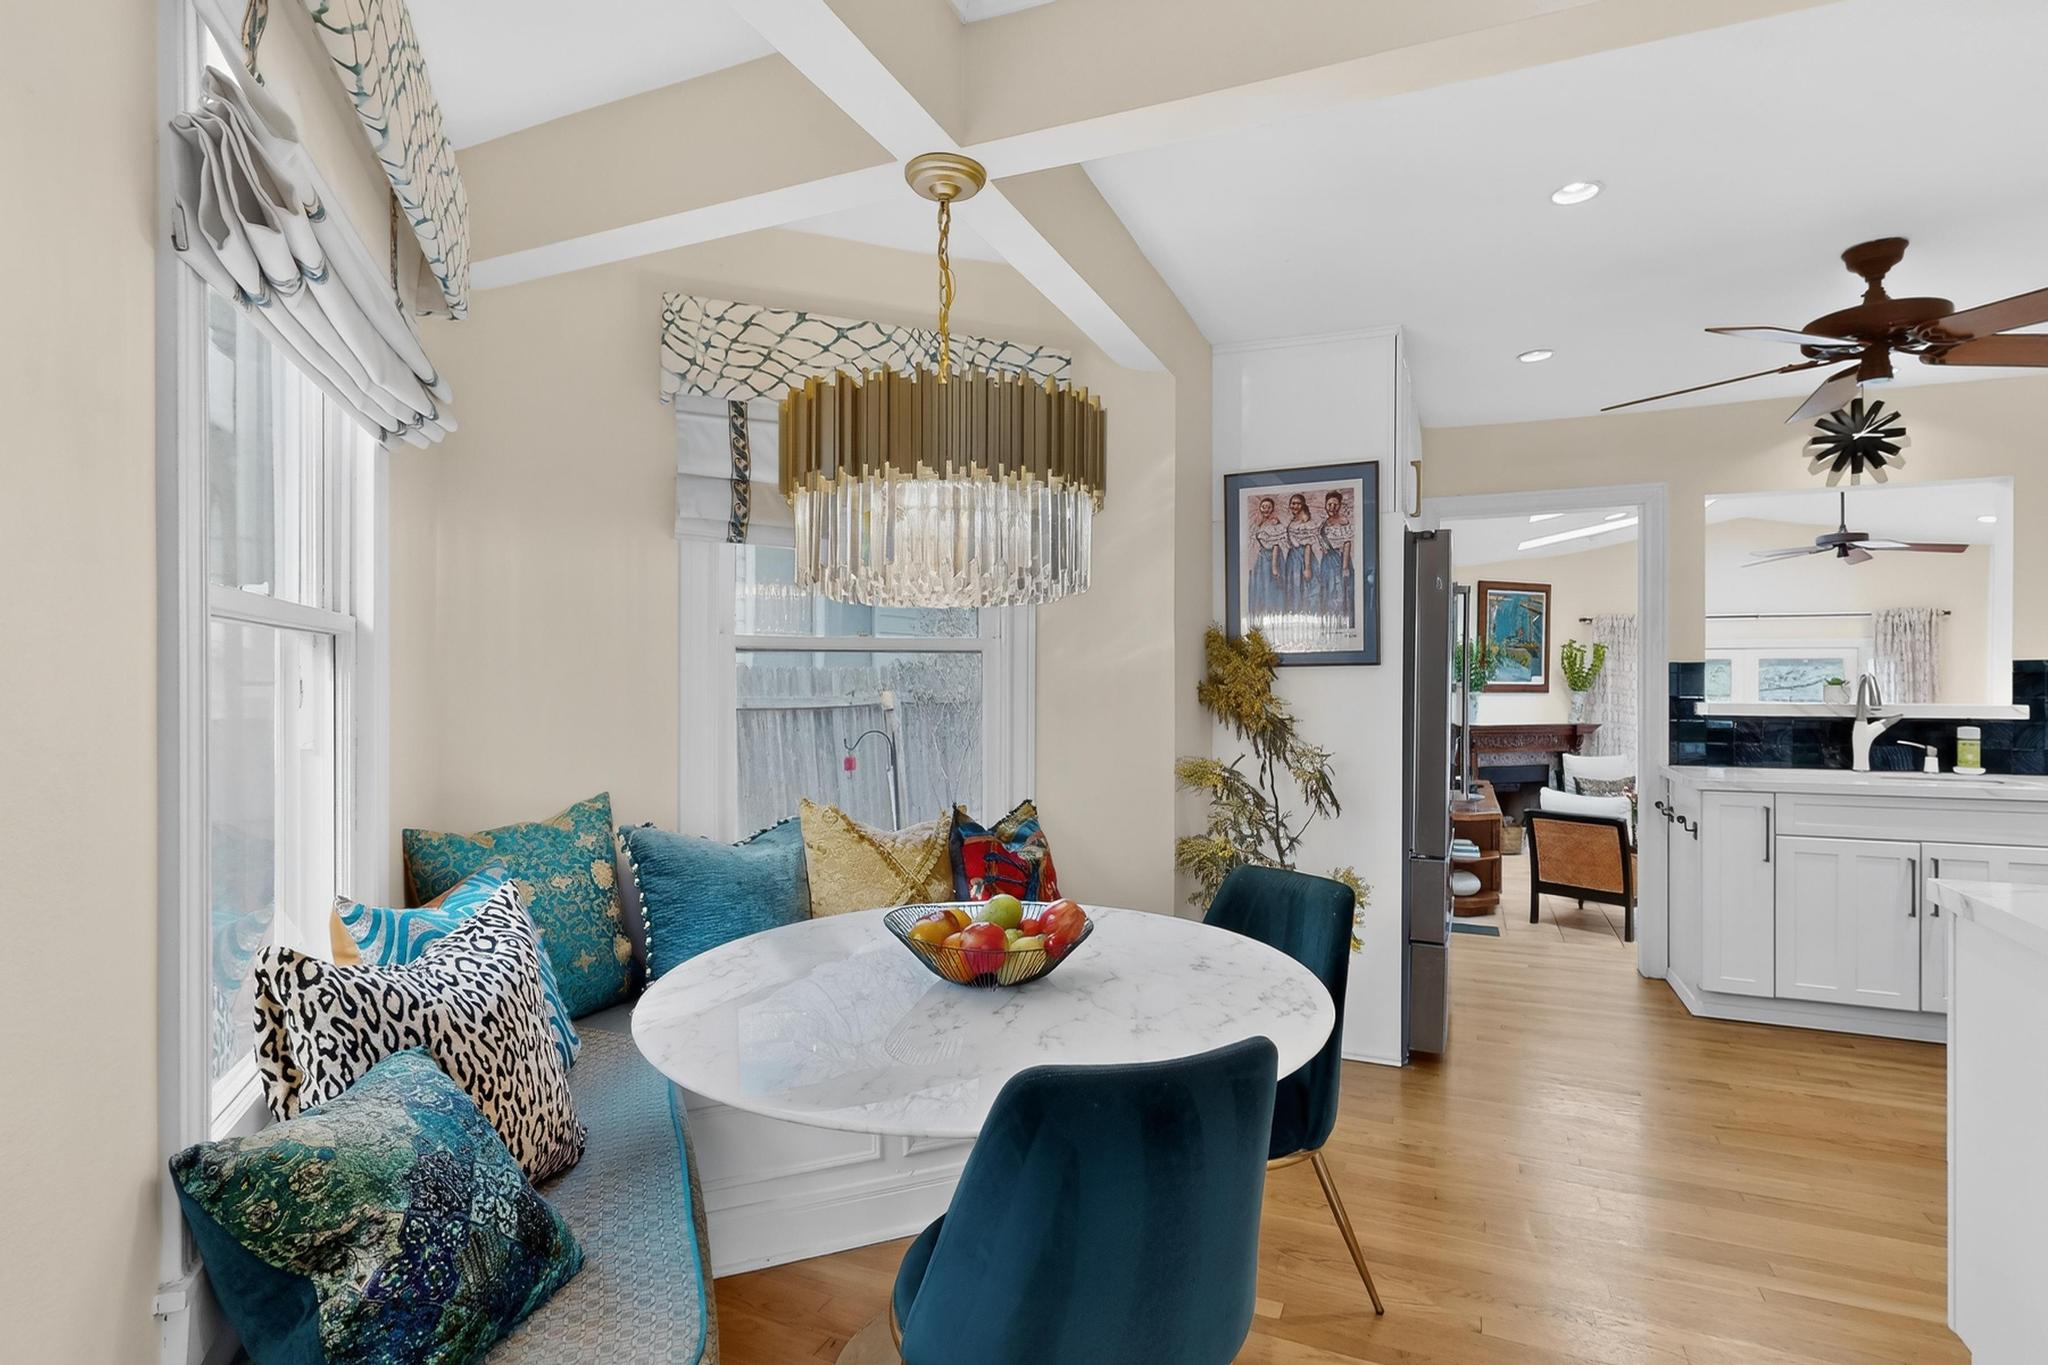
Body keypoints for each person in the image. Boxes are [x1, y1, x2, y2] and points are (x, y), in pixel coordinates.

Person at [1313, 488, 1356, 628]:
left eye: (1335, 504)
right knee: (1327, 591)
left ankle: (1341, 625)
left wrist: (1344, 567)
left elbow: (1347, 544)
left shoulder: (1343, 521)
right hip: (1327, 562)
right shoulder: (1325, 523)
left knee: (1339, 591)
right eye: (1329, 504)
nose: (1332, 507)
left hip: (1340, 560)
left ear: (1340, 505)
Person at [1247, 494, 1287, 631]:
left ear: (1273, 509)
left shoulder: (1275, 523)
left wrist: (1274, 566)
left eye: (1269, 507)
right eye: (1263, 507)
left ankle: (1275, 618)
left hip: (1272, 558)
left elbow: (1275, 544)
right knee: (1261, 587)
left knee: (1272, 588)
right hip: (1262, 558)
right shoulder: (1259, 523)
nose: (1266, 510)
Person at [1283, 493, 1317, 625]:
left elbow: (1308, 545)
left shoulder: (1306, 521)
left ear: (1302, 504)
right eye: (1292, 503)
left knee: (1305, 587)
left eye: (1297, 503)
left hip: (1304, 557)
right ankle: (1294, 617)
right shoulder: (1293, 521)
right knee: (1294, 587)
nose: (1294, 506)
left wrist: (1307, 567)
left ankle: (1306, 618)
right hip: (1292, 557)